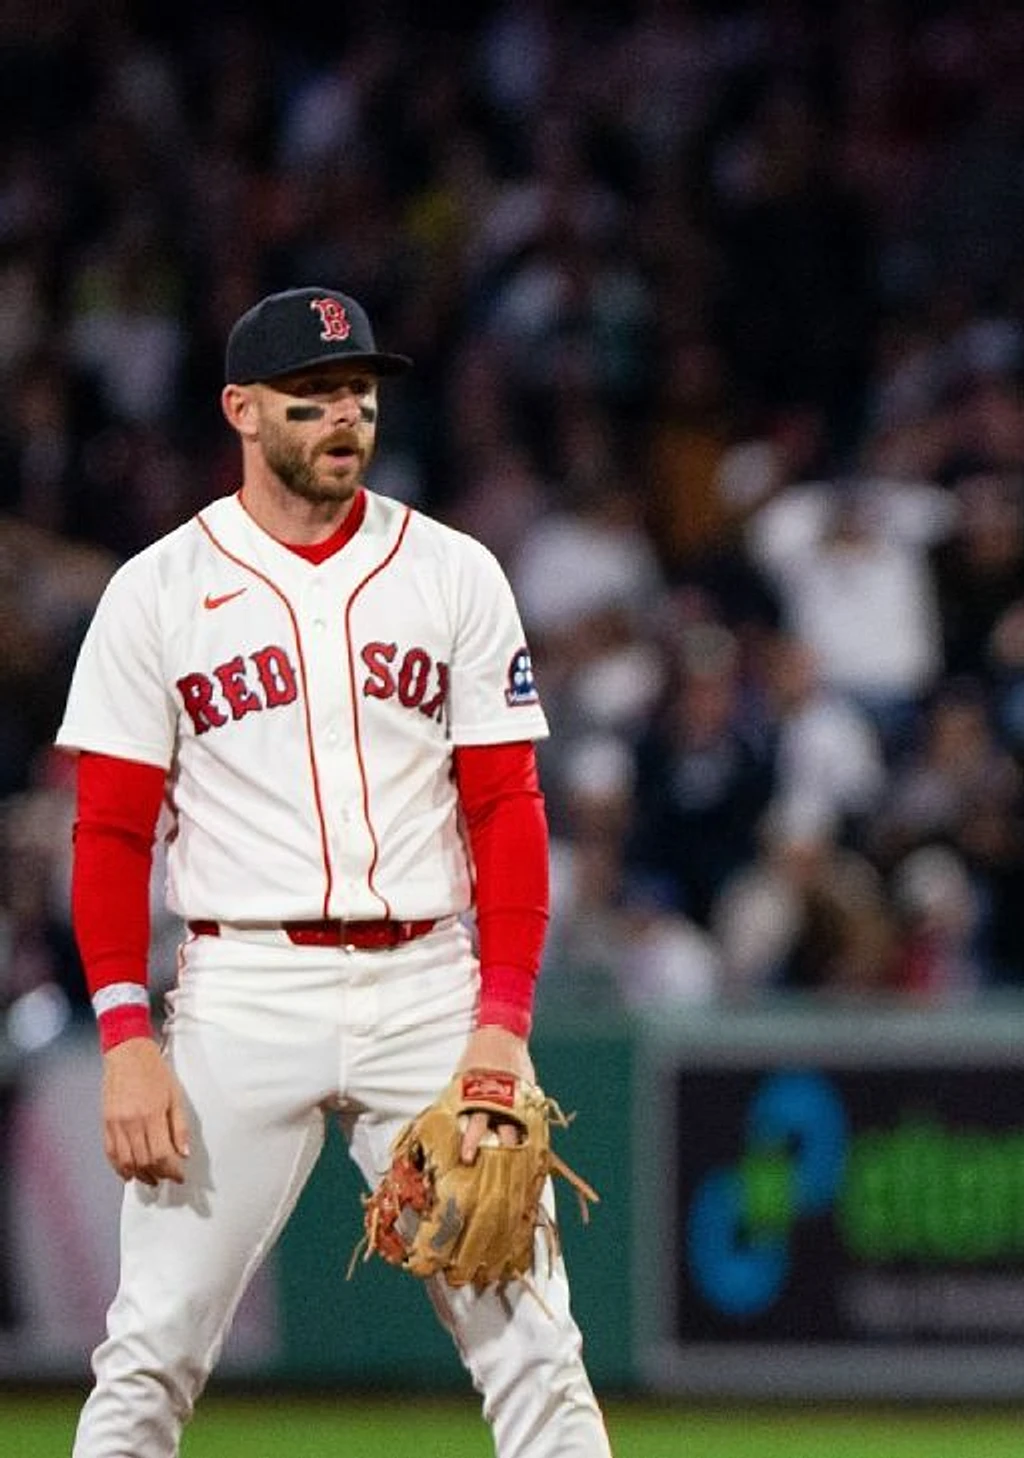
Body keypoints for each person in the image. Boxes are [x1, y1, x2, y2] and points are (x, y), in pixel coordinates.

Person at [56, 287, 611, 1456]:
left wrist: (503, 1023)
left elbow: (506, 808)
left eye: (357, 392)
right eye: (310, 398)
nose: (344, 415)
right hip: (244, 988)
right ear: (241, 411)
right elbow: (108, 834)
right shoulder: (157, 590)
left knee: (535, 1349)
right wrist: (123, 1037)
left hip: (428, 986)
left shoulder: (452, 571)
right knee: (152, 1349)